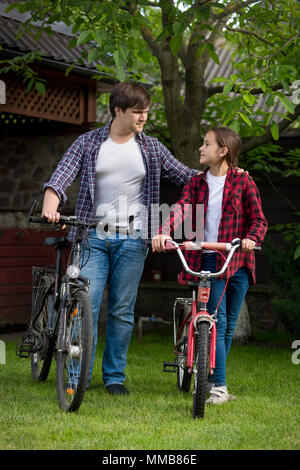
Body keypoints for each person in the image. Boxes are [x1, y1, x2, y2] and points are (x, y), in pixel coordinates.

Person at [41, 82, 199, 395]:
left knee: (122, 311)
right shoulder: (88, 143)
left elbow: (186, 175)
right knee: (83, 305)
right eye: (137, 111)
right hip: (92, 237)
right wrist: (51, 204)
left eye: (146, 111)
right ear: (117, 111)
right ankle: (76, 376)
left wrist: (224, 177)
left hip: (133, 240)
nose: (143, 117)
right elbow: (61, 176)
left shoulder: (151, 148)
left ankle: (114, 377)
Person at [152, 126, 268, 404]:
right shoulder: (195, 182)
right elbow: (181, 208)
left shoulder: (243, 182)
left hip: (237, 259)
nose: (200, 149)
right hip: (209, 258)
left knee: (227, 327)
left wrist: (252, 238)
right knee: (216, 320)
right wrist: (164, 231)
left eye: (206, 144)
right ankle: (219, 386)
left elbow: (259, 220)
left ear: (223, 151)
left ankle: (212, 376)